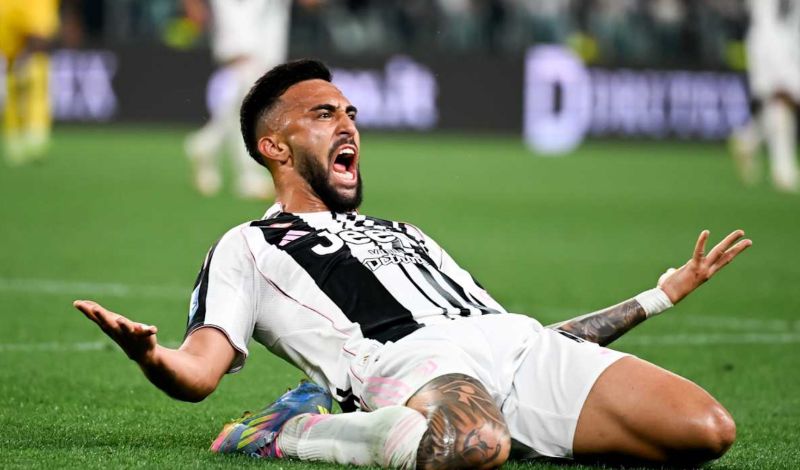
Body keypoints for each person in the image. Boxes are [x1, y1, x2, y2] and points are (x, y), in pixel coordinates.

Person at [73, 59, 752, 469]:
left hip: (520, 351)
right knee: (475, 443)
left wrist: (657, 297)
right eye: (323, 115)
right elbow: (200, 371)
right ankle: (290, 432)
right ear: (274, 147)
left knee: (706, 431)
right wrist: (152, 357)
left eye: (350, 113)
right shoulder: (249, 244)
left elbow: (505, 336)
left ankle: (452, 433)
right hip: (410, 365)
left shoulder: (406, 232)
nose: (348, 125)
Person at [182, 0, 293, 199]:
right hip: (242, 14)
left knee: (251, 97)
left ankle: (207, 143)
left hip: (267, 21)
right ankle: (248, 175)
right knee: (254, 96)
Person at [730, 0, 800, 192]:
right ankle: (783, 171)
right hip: (770, 39)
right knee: (781, 99)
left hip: (789, 39)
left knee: (778, 104)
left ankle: (748, 139)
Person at [0, 0, 60, 165]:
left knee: (24, 94)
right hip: (17, 56)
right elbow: (39, 32)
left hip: (19, 56)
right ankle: (27, 140)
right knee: (22, 95)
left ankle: (29, 140)